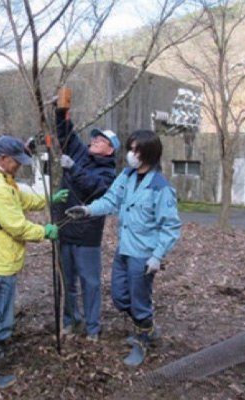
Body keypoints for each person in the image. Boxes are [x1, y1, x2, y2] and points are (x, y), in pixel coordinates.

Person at [66, 129, 181, 366]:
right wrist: (88, 210)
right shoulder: (126, 176)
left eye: (135, 150)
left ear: (148, 153)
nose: (130, 154)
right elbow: (110, 200)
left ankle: (142, 341)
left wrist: (157, 256)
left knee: (139, 300)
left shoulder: (160, 187)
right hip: (124, 250)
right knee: (119, 297)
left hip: (144, 254)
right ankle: (147, 326)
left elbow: (170, 226)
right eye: (130, 148)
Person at [0, 135, 67, 389]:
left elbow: (24, 201)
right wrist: (44, 232)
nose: (19, 166)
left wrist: (50, 198)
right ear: (2, 158)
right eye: (16, 161)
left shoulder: (3, 181)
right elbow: (17, 226)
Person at [53, 107, 119, 342]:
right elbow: (67, 135)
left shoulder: (109, 172)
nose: (94, 141)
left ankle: (93, 328)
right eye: (94, 138)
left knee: (89, 283)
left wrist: (73, 168)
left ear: (110, 149)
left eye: (100, 140)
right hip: (64, 227)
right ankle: (71, 321)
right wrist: (61, 113)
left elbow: (95, 188)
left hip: (87, 235)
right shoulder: (81, 154)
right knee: (67, 282)